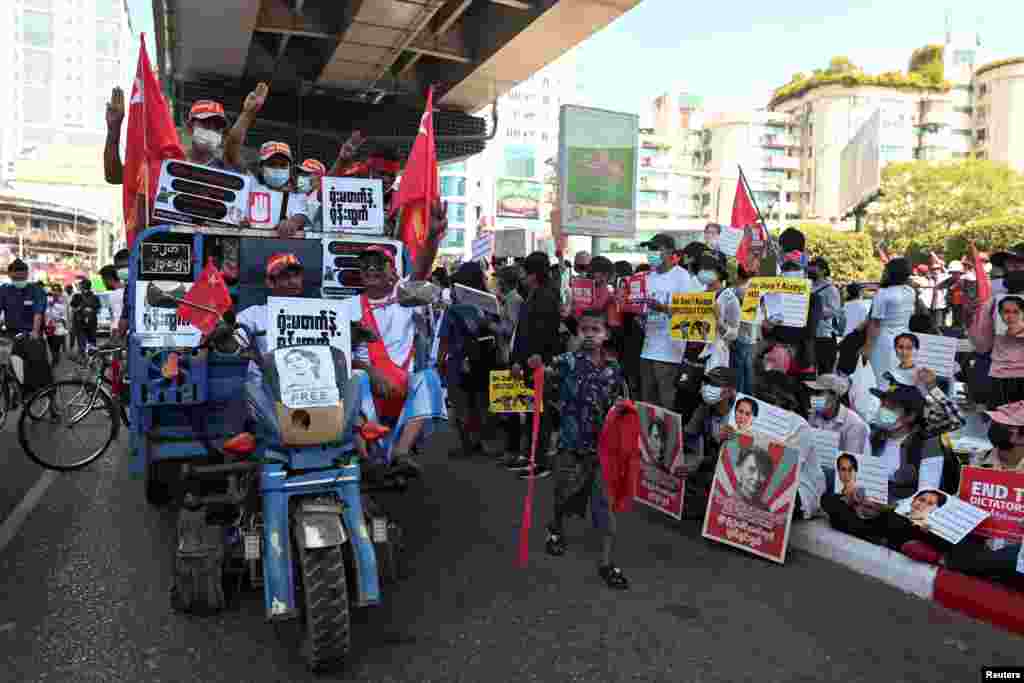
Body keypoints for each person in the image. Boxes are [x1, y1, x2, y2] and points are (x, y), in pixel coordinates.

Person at [533, 308, 630, 589]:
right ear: (577, 333)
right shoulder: (566, 362)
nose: (589, 335)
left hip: (602, 450)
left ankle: (606, 562)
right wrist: (535, 368)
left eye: (595, 330)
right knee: (564, 493)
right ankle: (556, 529)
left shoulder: (614, 369)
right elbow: (542, 376)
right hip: (570, 444)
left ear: (606, 335)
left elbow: (622, 403)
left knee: (604, 504)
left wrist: (622, 410)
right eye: (584, 330)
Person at [943, 400, 1024, 582]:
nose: (994, 427)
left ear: (1022, 437)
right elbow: (959, 504)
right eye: (995, 422)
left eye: (1003, 425)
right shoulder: (978, 461)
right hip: (979, 538)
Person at [505, 251, 562, 478]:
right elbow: (525, 331)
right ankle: (530, 457)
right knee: (531, 411)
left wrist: (537, 357)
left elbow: (546, 333)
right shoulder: (534, 293)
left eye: (524, 271)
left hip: (538, 363)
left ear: (534, 273)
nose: (521, 276)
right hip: (527, 361)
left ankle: (540, 462)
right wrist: (517, 360)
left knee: (540, 413)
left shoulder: (546, 296)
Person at [438, 262, 495, 458]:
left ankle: (466, 444)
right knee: (481, 402)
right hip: (484, 360)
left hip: (458, 361)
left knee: (460, 403)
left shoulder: (454, 310)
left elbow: (444, 339)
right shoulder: (490, 304)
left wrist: (439, 362)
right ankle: (481, 441)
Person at [636, 233, 701, 408]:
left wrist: (662, 308)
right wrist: (639, 315)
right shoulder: (646, 277)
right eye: (649, 249)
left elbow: (689, 314)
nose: (651, 253)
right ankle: (648, 436)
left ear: (670, 252)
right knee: (647, 404)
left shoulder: (683, 278)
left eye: (656, 249)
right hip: (647, 349)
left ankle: (669, 436)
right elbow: (642, 310)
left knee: (667, 404)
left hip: (670, 352)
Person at [970, 242, 1024, 408]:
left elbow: (980, 343)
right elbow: (981, 343)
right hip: (1001, 374)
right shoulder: (993, 294)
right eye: (1010, 262)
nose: (1014, 266)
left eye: (1019, 262)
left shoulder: (994, 297)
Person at [805, 374, 871, 489]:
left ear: (835, 396)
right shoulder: (813, 415)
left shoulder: (854, 425)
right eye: (812, 393)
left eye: (819, 393)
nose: (813, 397)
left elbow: (850, 471)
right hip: (815, 475)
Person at [0, 259, 52, 394]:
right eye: (16, 277)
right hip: (12, 335)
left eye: (22, 277)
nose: (19, 280)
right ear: (10, 275)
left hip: (32, 335)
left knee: (41, 371)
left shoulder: (36, 290)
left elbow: (38, 312)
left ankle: (52, 403)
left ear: (27, 274)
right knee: (11, 367)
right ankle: (14, 394)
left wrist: (35, 331)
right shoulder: (4, 290)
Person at [867, 257, 917, 386]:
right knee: (900, 376)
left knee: (881, 377)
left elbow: (875, 323)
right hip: (905, 338)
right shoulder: (911, 291)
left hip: (884, 341)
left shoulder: (883, 293)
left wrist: (867, 347)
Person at [70, 279, 100, 355]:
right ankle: (88, 358)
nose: (80, 287)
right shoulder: (77, 296)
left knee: (88, 343)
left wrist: (89, 310)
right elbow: (74, 309)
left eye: (81, 285)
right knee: (85, 343)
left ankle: (88, 358)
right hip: (83, 323)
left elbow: (97, 309)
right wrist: (80, 309)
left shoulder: (93, 297)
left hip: (88, 323)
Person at [44, 284, 68, 366]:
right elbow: (43, 313)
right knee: (50, 344)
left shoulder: (63, 302)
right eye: (54, 290)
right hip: (48, 327)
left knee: (56, 345)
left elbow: (65, 316)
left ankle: (55, 359)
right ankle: (54, 357)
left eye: (57, 290)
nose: (55, 292)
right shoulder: (47, 300)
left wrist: (61, 321)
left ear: (60, 292)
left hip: (58, 327)